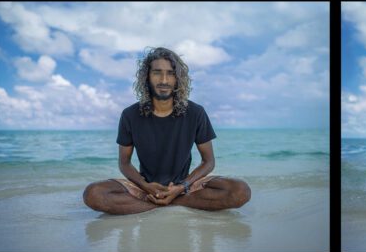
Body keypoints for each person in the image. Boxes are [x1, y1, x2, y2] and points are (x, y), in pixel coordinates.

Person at [82, 47, 252, 214]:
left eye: (170, 73)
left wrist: (181, 187)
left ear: (178, 79)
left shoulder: (195, 113)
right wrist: (145, 186)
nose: (164, 80)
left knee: (240, 191)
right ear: (147, 77)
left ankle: (169, 201)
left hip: (185, 187)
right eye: (157, 72)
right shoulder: (130, 115)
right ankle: (164, 203)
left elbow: (208, 161)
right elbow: (124, 163)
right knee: (93, 194)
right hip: (144, 187)